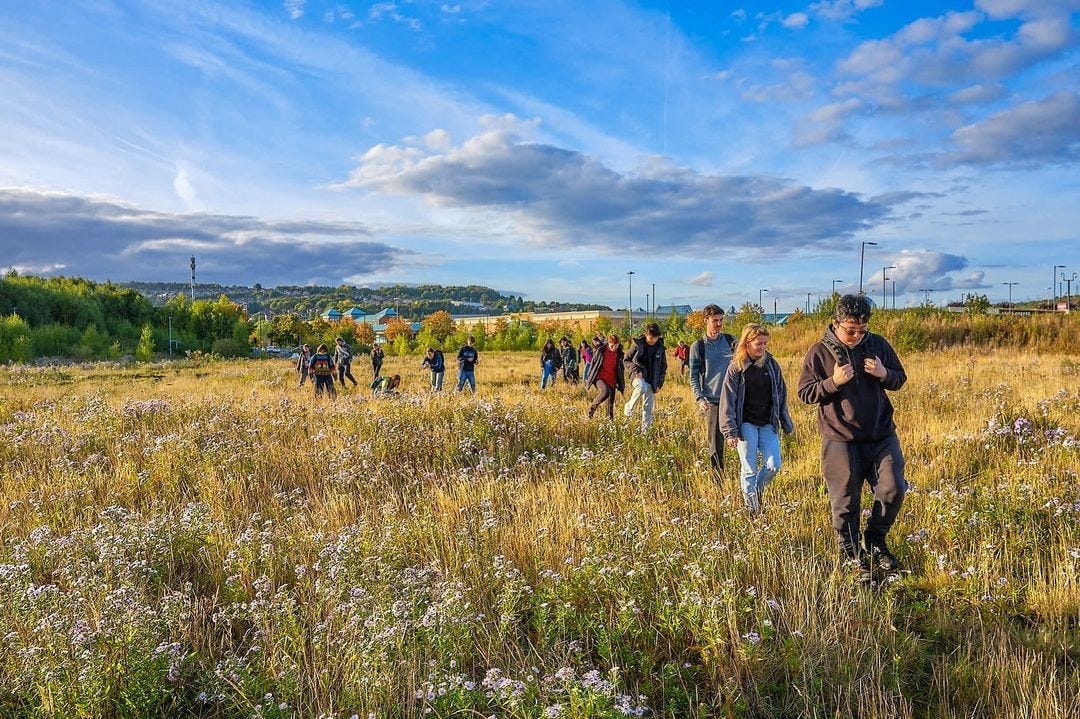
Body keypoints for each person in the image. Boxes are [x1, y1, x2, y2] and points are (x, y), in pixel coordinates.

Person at [798, 294, 907, 584]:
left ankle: (874, 541)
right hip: (840, 438)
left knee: (893, 488)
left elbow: (899, 378)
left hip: (881, 434)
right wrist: (833, 382)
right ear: (835, 324)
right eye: (851, 330)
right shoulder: (819, 352)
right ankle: (850, 554)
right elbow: (806, 393)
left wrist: (884, 374)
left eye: (862, 329)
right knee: (845, 500)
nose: (857, 336)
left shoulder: (878, 344)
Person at [719, 324, 795, 514]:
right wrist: (730, 431)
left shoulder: (771, 363)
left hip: (768, 423)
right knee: (749, 468)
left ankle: (757, 489)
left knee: (773, 465)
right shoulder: (736, 368)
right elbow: (728, 400)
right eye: (758, 343)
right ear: (747, 343)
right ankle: (752, 509)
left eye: (765, 343)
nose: (762, 347)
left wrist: (785, 422)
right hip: (745, 424)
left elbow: (781, 394)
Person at [689, 304, 736, 481]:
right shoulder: (698, 347)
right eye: (715, 320)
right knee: (716, 446)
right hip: (714, 402)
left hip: (734, 399)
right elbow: (693, 376)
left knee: (744, 440)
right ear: (705, 321)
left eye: (721, 320)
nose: (718, 324)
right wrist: (700, 398)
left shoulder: (731, 341)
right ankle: (718, 480)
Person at [623, 322, 667, 431]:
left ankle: (645, 432)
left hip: (652, 381)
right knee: (641, 387)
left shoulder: (660, 348)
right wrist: (636, 370)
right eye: (651, 337)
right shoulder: (638, 345)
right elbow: (626, 360)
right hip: (637, 377)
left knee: (648, 408)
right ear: (645, 334)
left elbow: (663, 367)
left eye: (656, 337)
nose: (653, 340)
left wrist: (659, 384)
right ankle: (629, 406)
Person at [584, 334, 624, 420]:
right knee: (605, 391)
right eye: (612, 345)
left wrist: (620, 383)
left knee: (610, 406)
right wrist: (589, 377)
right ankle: (591, 409)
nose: (614, 348)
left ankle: (609, 424)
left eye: (616, 345)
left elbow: (621, 369)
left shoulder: (619, 354)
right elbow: (593, 364)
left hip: (612, 380)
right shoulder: (601, 351)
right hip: (600, 378)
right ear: (608, 343)